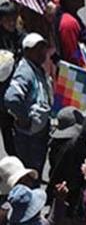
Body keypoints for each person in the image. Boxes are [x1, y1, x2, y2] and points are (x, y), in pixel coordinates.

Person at [3, 34, 52, 175]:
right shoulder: (25, 72)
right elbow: (11, 98)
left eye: (43, 48)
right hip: (30, 137)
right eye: (37, 49)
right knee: (30, 174)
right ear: (27, 51)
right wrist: (25, 119)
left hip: (37, 132)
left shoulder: (36, 68)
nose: (42, 52)